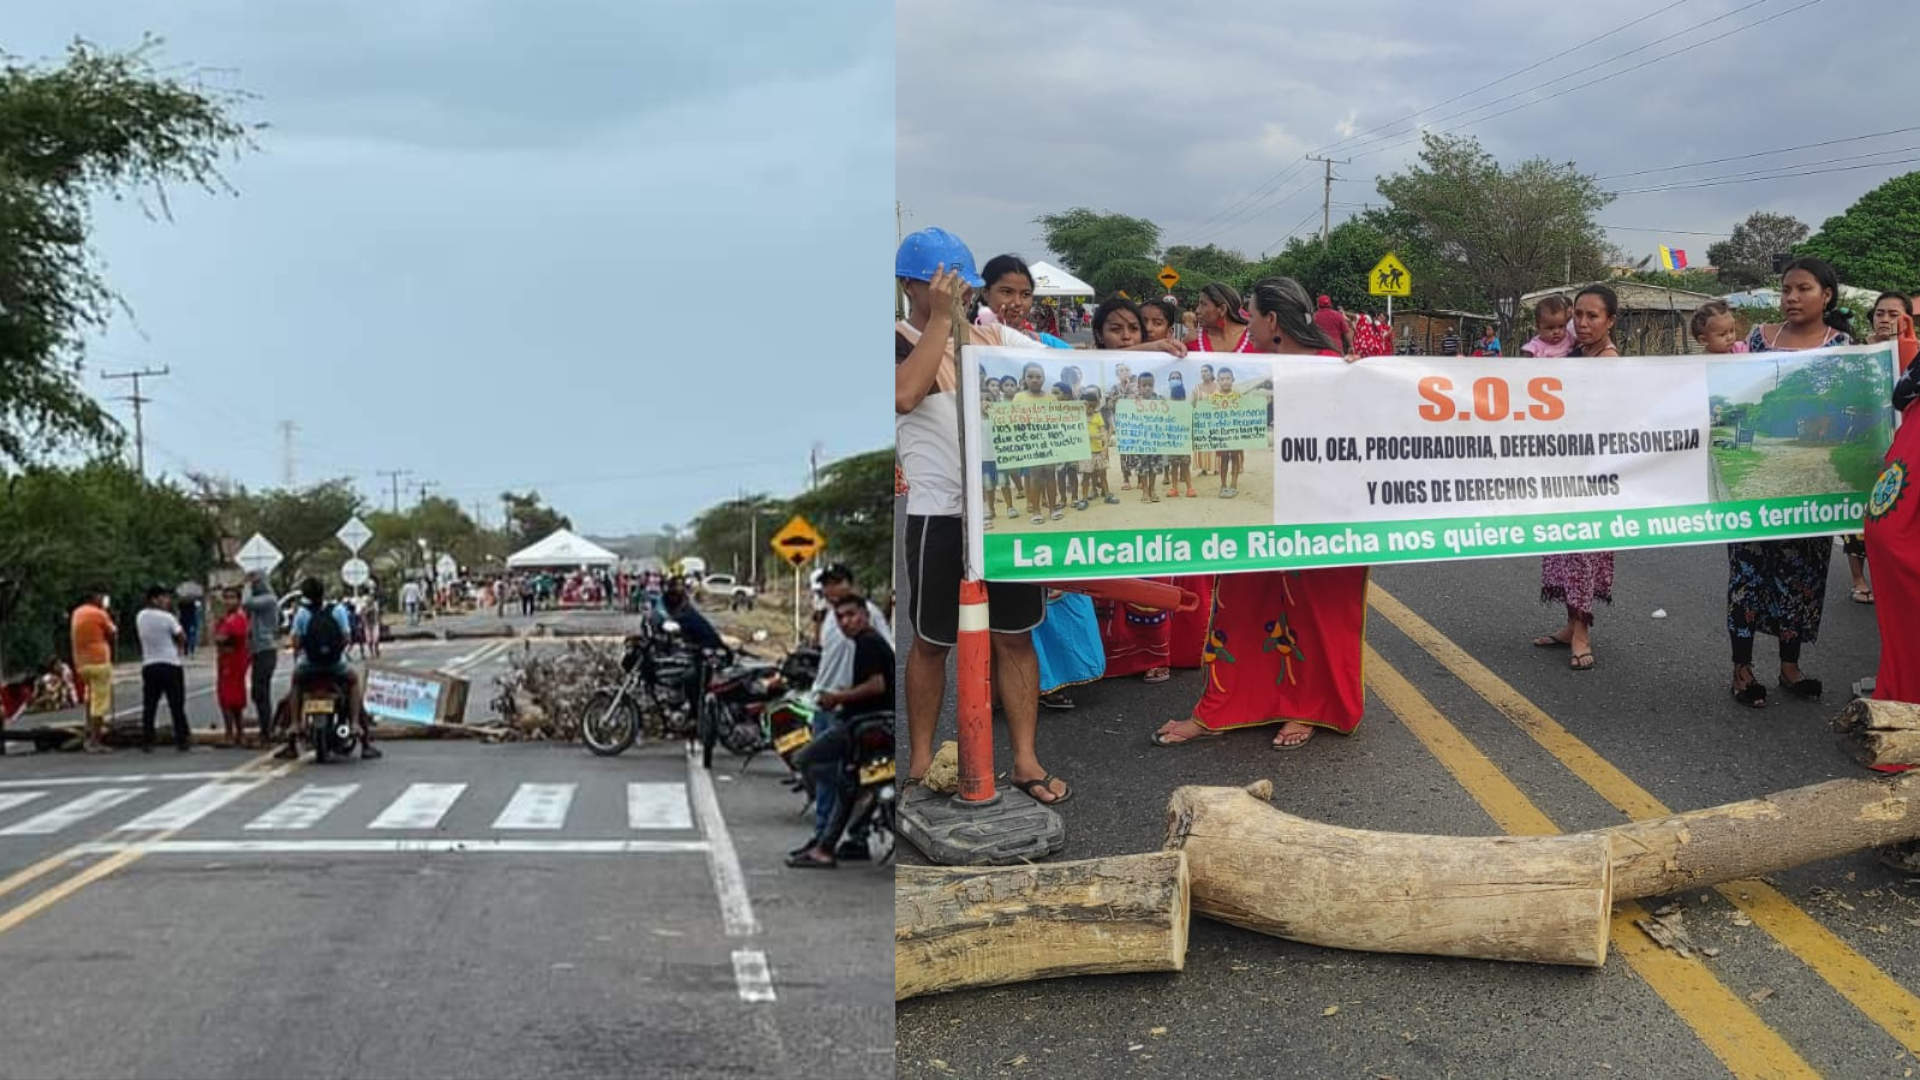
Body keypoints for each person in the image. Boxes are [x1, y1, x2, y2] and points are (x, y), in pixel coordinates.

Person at [896, 228, 1181, 806]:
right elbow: (905, 395)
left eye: (963, 287)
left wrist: (1143, 353)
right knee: (931, 643)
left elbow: (1066, 364)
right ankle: (921, 763)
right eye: (946, 285)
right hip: (940, 516)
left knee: (1015, 636)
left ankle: (1025, 759)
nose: (961, 296)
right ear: (911, 286)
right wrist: (938, 322)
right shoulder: (898, 340)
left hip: (1005, 515)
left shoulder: (990, 335)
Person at [1153, 276, 1369, 750]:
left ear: (1272, 320)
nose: (1245, 322)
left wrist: (1362, 378)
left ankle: (1308, 707)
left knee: (1316, 611)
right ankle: (1228, 704)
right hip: (1254, 509)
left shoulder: (1338, 368)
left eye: (1250, 314)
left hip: (1325, 511)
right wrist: (1168, 359)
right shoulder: (1245, 367)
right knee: (1243, 602)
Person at [1721, 257, 1854, 706]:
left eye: (1803, 289)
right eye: (1786, 290)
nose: (1792, 298)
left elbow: (1850, 409)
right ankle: (1743, 671)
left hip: (1810, 490)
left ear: (1826, 295)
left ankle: (1789, 667)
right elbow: (1734, 399)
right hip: (1754, 492)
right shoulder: (1757, 340)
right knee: (1748, 575)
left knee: (1801, 579)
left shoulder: (1843, 346)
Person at [1532, 285, 1621, 671]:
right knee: (1564, 546)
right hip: (1562, 469)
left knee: (1584, 550)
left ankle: (1583, 632)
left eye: (1593, 316)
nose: (1582, 324)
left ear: (1611, 321)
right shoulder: (1570, 353)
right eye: (1578, 315)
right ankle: (1570, 625)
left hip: (1594, 474)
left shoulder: (1609, 362)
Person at [787, 593, 896, 868]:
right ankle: (830, 844)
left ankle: (858, 791)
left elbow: (877, 685)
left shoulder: (869, 642)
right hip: (871, 722)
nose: (846, 621)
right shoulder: (865, 642)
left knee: (804, 759)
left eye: (851, 615)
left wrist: (838, 698)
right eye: (840, 618)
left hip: (864, 724)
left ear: (865, 615)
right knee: (848, 784)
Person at [809, 564, 894, 856]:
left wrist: (841, 696)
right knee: (836, 776)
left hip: (853, 709)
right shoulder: (830, 618)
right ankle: (830, 835)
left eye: (837, 582)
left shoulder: (868, 620)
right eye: (826, 584)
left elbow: (881, 673)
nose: (831, 589)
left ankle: (837, 835)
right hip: (832, 702)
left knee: (825, 768)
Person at [286, 577, 380, 760]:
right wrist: (335, 651)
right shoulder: (338, 610)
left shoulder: (302, 614)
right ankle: (356, 727)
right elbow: (346, 637)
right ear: (324, 592)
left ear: (305, 595)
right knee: (353, 682)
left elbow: (296, 642)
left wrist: (301, 654)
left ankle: (296, 724)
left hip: (309, 665)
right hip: (335, 664)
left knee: (296, 682)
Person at [136, 584, 191, 753]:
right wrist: (177, 645)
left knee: (150, 705)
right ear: (154, 599)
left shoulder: (140, 616)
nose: (167, 601)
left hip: (149, 664)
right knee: (176, 704)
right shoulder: (168, 618)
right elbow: (182, 637)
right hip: (170, 664)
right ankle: (182, 739)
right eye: (164, 597)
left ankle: (147, 740)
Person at [69, 589, 117, 754]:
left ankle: (89, 734)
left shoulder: (77, 612)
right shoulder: (99, 613)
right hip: (98, 662)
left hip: (81, 663)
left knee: (91, 699)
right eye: (102, 597)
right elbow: (113, 633)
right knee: (100, 704)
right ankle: (95, 741)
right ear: (95, 597)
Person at [243, 573, 281, 747]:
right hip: (258, 650)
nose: (254, 586)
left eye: (256, 583)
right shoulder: (262, 601)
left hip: (266, 650)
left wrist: (247, 585)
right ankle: (265, 730)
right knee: (258, 693)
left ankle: (267, 732)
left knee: (261, 692)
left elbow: (246, 603)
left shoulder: (268, 599)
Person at [213, 587, 251, 747]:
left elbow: (222, 638)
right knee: (231, 699)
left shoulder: (237, 618)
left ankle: (231, 734)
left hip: (234, 662)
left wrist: (221, 638)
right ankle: (237, 733)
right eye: (226, 598)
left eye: (232, 598)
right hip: (226, 661)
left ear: (239, 600)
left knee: (229, 699)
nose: (229, 601)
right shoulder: (227, 618)